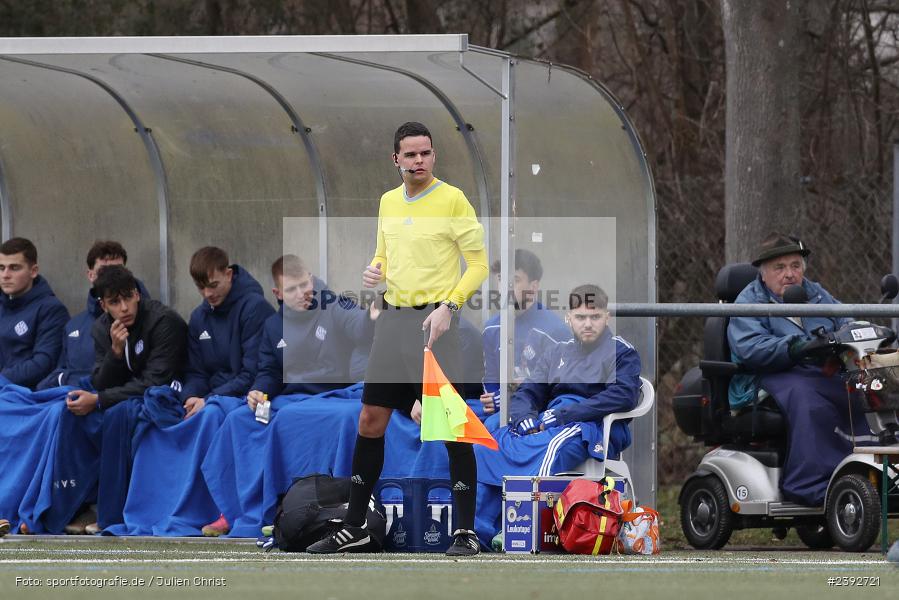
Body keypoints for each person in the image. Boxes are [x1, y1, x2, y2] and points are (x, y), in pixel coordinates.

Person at [306, 121, 489, 555]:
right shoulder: (388, 201)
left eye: (425, 153)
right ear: (396, 159)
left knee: (451, 428)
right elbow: (384, 256)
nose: (419, 161)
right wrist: (374, 270)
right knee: (370, 419)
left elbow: (479, 265)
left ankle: (465, 531)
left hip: (436, 324)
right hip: (392, 322)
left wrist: (450, 306)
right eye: (410, 155)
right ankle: (355, 526)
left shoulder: (453, 200)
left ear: (433, 156)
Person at [201, 254, 377, 537]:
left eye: (305, 284)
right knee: (238, 419)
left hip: (334, 396)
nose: (302, 293)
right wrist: (259, 391)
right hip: (290, 400)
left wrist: (371, 315)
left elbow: (359, 326)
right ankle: (236, 511)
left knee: (303, 417)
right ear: (278, 293)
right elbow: (269, 370)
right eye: (292, 289)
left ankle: (312, 508)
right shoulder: (273, 325)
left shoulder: (335, 305)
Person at [473, 284, 642, 545]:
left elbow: (624, 395)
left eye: (595, 317)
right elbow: (527, 392)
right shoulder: (557, 351)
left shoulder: (622, 351)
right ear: (569, 318)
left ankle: (521, 526)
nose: (588, 324)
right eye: (581, 317)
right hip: (552, 421)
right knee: (488, 446)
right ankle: (480, 533)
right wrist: (524, 418)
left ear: (607, 317)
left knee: (552, 447)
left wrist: (565, 415)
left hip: (592, 427)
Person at [29, 265, 188, 534]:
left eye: (128, 298)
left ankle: (110, 512)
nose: (124, 307)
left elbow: (154, 382)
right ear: (103, 306)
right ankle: (74, 506)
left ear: (138, 294)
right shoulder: (101, 329)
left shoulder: (164, 321)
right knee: (67, 412)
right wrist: (115, 353)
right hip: (126, 395)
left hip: (169, 393)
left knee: (117, 414)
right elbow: (102, 381)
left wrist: (100, 400)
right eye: (115, 302)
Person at [727, 232, 869, 506]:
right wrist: (796, 347)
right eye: (779, 268)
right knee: (811, 402)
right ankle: (809, 483)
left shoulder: (815, 293)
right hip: (763, 379)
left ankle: (861, 474)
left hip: (815, 373)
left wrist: (859, 333)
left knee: (862, 393)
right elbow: (751, 348)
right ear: (763, 273)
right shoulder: (748, 301)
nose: (789, 274)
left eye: (795, 266)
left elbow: (846, 320)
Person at [39, 241, 149, 390]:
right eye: (103, 271)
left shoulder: (150, 319)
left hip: (114, 402)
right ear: (90, 275)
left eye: (117, 270)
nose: (111, 277)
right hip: (70, 398)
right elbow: (61, 370)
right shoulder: (74, 326)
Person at [180, 247, 275, 419]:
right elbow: (196, 372)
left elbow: (253, 373)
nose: (208, 293)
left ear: (229, 274)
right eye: (201, 287)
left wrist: (209, 399)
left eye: (213, 285)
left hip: (248, 397)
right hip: (212, 396)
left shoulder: (255, 309)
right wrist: (191, 396)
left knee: (210, 414)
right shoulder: (198, 317)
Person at [480, 249, 570, 415]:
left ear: (533, 287)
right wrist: (496, 400)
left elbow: (559, 386)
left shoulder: (556, 331)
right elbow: (490, 377)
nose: (506, 286)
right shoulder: (491, 328)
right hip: (498, 412)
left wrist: (508, 398)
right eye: (501, 279)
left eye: (515, 280)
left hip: (538, 412)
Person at [0, 237, 69, 388]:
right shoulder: (2, 305)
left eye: (14, 268)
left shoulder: (51, 309)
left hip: (26, 398)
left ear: (33, 271)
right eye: (1, 268)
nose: (5, 275)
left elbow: (43, 364)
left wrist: (2, 379)